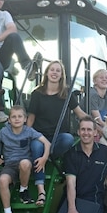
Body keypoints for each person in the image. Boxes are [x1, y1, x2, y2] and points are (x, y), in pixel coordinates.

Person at [26, 59, 80, 205]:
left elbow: (80, 114)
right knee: (36, 146)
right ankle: (41, 190)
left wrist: (96, 126)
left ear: (62, 75)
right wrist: (24, 136)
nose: (55, 73)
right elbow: (30, 119)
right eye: (52, 70)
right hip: (40, 136)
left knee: (68, 139)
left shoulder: (67, 94)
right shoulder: (37, 93)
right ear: (47, 73)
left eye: (58, 70)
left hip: (58, 138)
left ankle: (47, 156)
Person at [0, 105, 52, 213]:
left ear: (25, 119)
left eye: (20, 116)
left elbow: (47, 143)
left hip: (24, 165)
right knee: (2, 180)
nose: (17, 119)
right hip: (9, 165)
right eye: (13, 117)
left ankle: (23, 189)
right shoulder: (4, 132)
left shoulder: (28, 131)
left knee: (25, 163)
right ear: (9, 120)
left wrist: (44, 158)